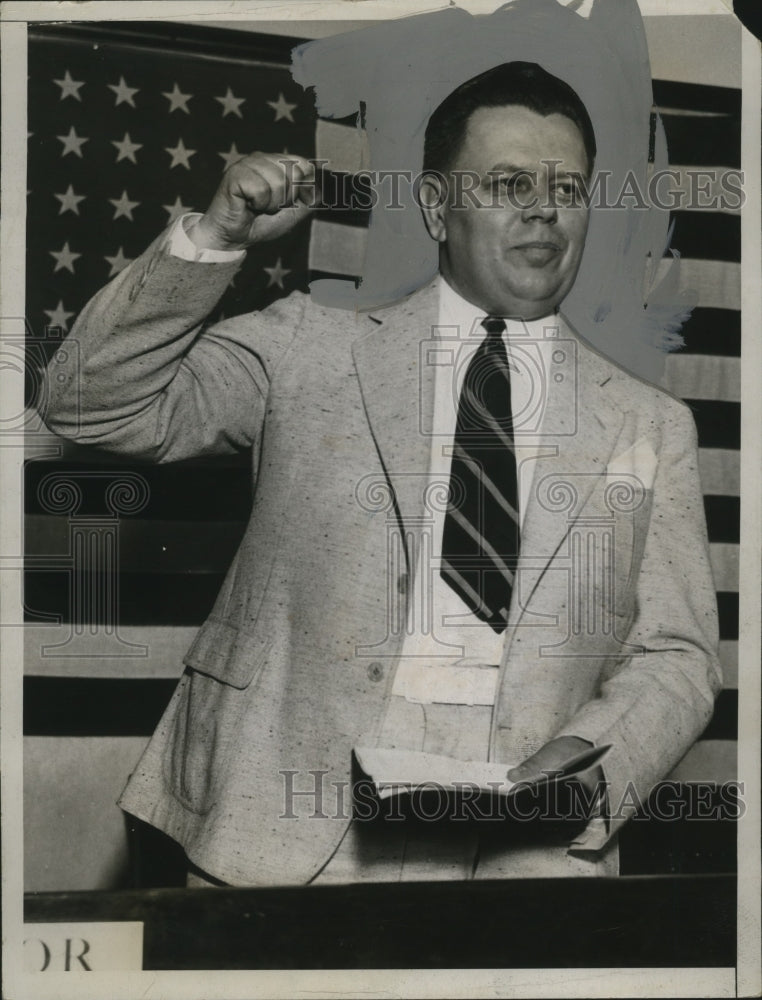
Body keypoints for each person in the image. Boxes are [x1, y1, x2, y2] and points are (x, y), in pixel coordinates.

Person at [44, 62, 720, 887]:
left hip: (525, 852)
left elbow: (677, 654)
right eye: (508, 183)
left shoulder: (651, 424)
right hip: (283, 829)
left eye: (568, 189)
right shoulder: (310, 345)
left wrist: (588, 755)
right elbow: (90, 404)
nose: (544, 210)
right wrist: (216, 238)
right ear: (436, 206)